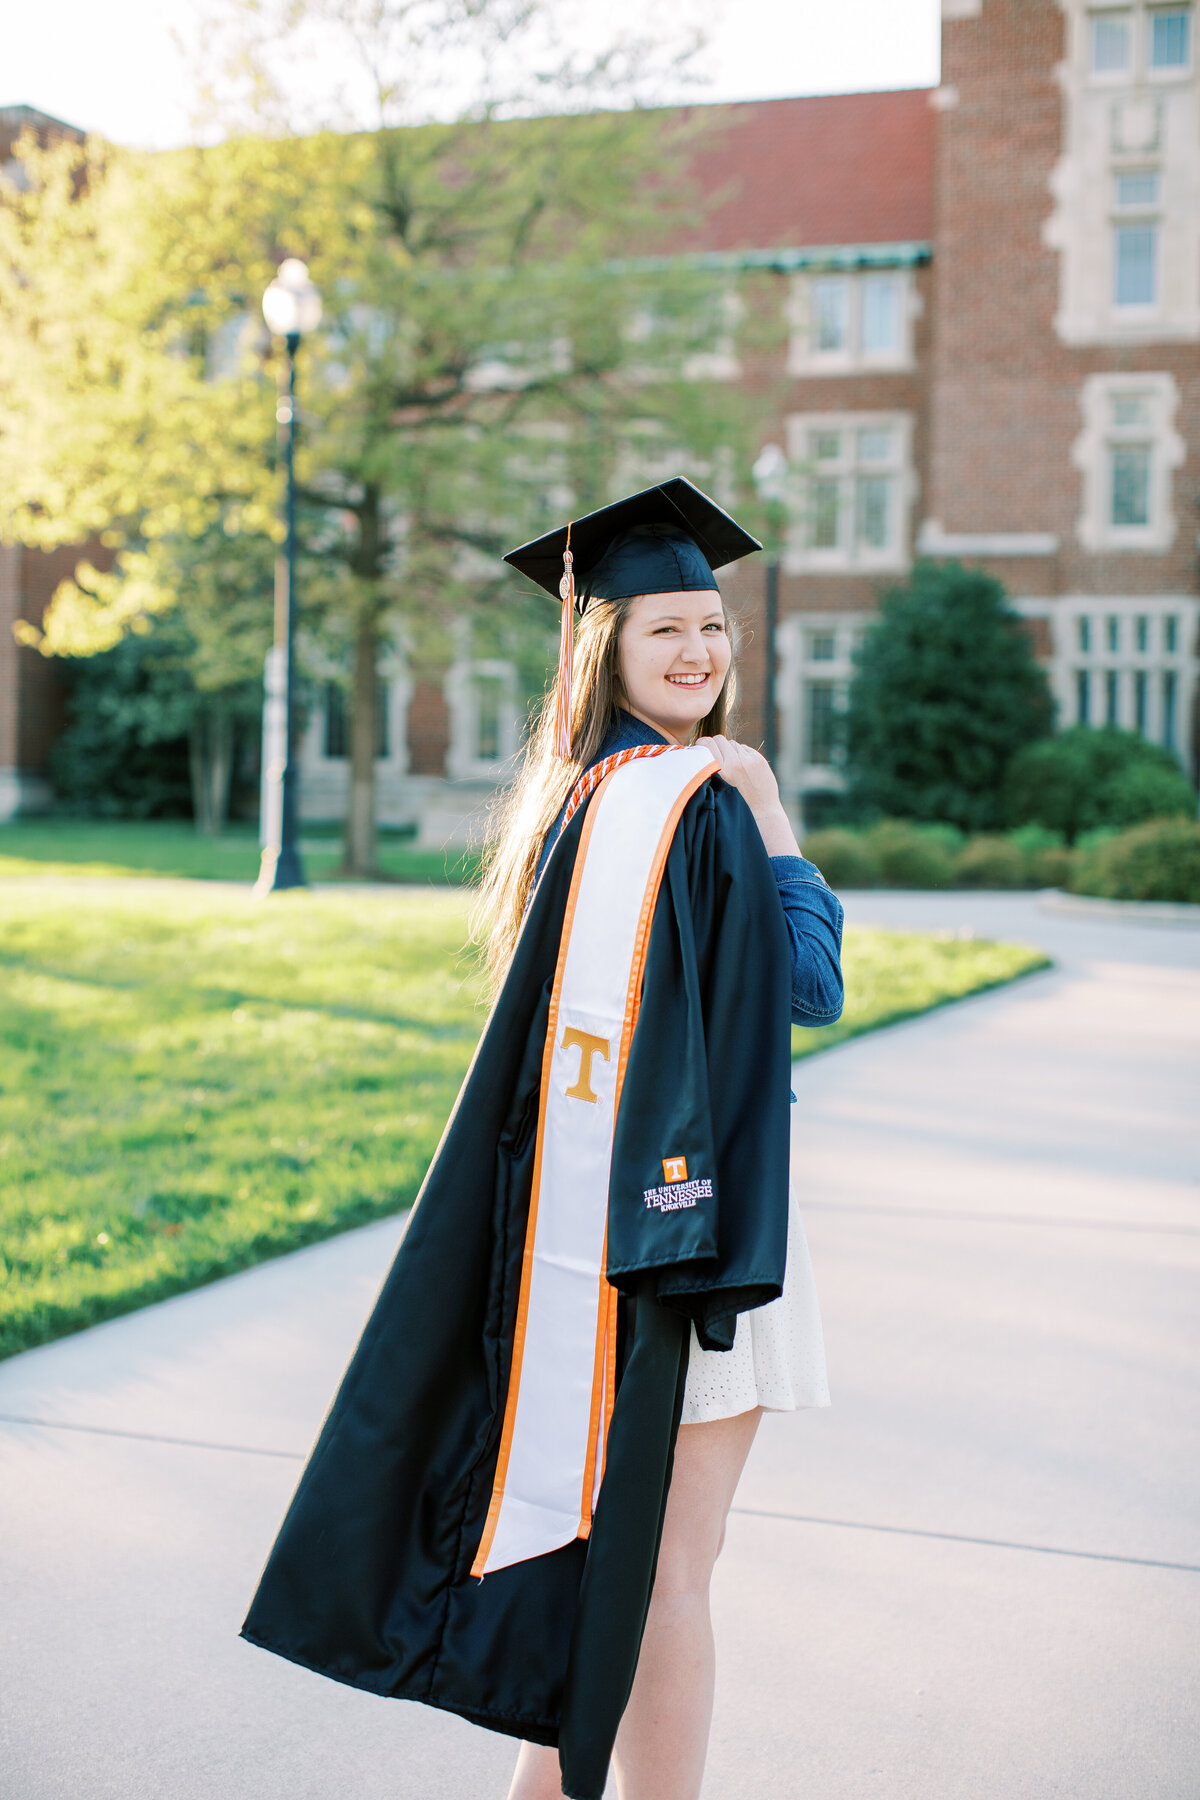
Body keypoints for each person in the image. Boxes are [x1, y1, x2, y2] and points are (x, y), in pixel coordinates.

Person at [240, 479, 843, 1800]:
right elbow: (811, 992)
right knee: (674, 1569)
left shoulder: (579, 800)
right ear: (606, 648)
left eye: (712, 627)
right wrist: (767, 798)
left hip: (598, 1236)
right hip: (701, 1242)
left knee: (612, 1555)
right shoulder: (702, 800)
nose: (698, 651)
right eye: (663, 630)